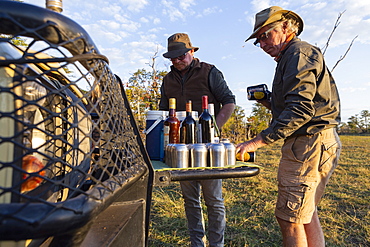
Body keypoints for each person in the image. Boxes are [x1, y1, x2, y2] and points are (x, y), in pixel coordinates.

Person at [236, 6, 342, 247]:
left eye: (266, 35)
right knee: (305, 214)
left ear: (286, 27)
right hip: (315, 141)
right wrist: (268, 100)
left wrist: (257, 141)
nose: (262, 44)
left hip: (308, 143)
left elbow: (301, 110)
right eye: (258, 40)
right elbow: (300, 103)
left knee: (290, 219)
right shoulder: (291, 56)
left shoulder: (297, 53)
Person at [159, 33, 236, 247]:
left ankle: (216, 244)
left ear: (192, 52)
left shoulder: (209, 72)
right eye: (172, 57)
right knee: (190, 200)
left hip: (208, 148)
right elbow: (163, 112)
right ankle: (196, 243)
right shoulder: (167, 80)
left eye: (181, 55)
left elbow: (229, 102)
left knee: (214, 200)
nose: (176, 60)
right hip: (181, 148)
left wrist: (212, 128)